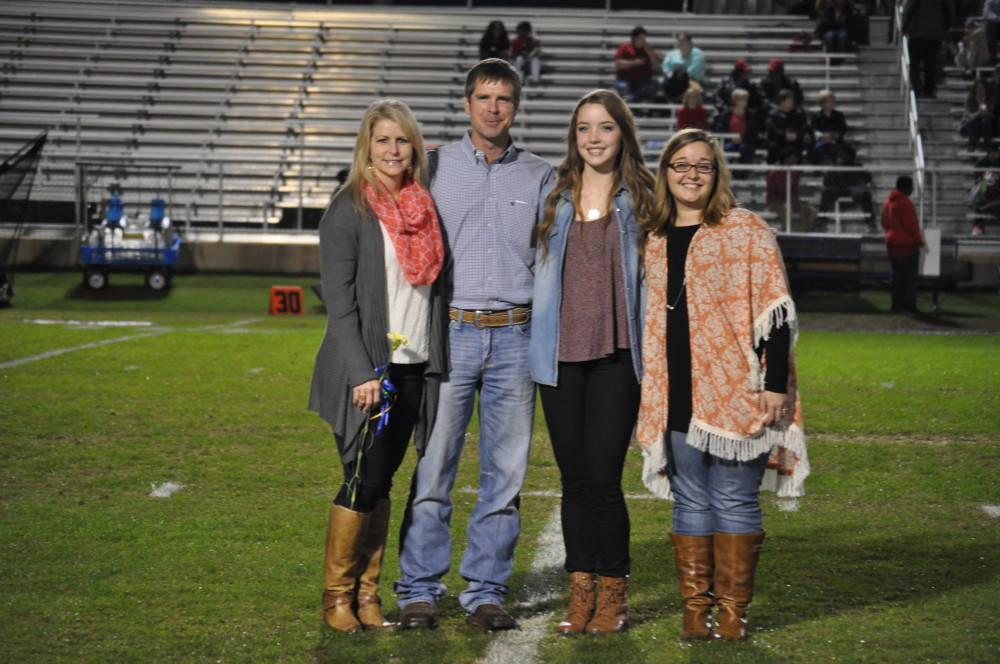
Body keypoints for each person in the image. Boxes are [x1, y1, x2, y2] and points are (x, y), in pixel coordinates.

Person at [395, 58, 555, 632]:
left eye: (504, 99)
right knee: (433, 466)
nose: (493, 108)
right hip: (451, 335)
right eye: (483, 98)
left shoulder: (539, 175)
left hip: (515, 336)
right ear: (467, 104)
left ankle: (486, 590)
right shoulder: (432, 167)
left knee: (504, 476)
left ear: (516, 107)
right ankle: (418, 588)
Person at [636, 128, 808, 642]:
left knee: (734, 499)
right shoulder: (654, 236)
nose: (691, 174)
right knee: (689, 501)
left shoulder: (746, 229)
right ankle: (696, 612)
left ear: (717, 173)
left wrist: (775, 383)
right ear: (665, 172)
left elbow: (774, 309)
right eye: (680, 164)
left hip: (739, 390)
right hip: (676, 392)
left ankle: (732, 615)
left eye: (703, 165)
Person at [309, 100, 447, 633]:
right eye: (383, 140)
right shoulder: (349, 208)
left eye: (402, 140)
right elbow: (339, 304)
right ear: (366, 146)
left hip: (415, 362)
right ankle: (336, 598)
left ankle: (368, 597)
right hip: (373, 369)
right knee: (363, 479)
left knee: (383, 481)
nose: (393, 150)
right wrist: (363, 372)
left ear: (415, 148)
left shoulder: (424, 206)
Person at [529, 89, 655, 635]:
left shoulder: (644, 199)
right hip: (559, 357)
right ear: (573, 137)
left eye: (605, 127)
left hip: (617, 358)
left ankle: (612, 596)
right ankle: (579, 595)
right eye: (584, 128)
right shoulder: (554, 196)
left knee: (603, 479)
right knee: (573, 479)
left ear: (622, 134)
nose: (594, 138)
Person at [881, 175, 925, 313]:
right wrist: (919, 240)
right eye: (911, 186)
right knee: (909, 278)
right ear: (906, 186)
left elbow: (883, 222)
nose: (912, 189)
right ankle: (909, 306)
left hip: (892, 244)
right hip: (907, 245)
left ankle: (896, 305)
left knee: (896, 276)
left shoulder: (887, 202)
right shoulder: (905, 202)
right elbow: (911, 225)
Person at [901, 0, 955, 99]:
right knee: (931, 64)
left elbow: (909, 7)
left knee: (914, 63)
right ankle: (928, 90)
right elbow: (950, 9)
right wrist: (946, 26)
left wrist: (905, 26)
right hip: (936, 33)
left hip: (917, 32)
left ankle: (915, 89)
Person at [818, 144, 875, 230]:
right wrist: (836, 168)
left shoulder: (857, 166)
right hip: (837, 189)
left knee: (865, 194)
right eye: (841, 154)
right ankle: (820, 221)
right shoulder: (835, 166)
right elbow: (826, 182)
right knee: (826, 192)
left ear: (851, 156)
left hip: (852, 188)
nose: (842, 156)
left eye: (845, 154)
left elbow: (868, 178)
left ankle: (870, 223)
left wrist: (865, 182)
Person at [766, 148, 818, 231]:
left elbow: (794, 190)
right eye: (792, 157)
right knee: (786, 209)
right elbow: (773, 191)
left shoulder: (794, 172)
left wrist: (794, 201)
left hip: (791, 201)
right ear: (786, 159)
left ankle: (801, 232)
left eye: (795, 157)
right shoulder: (774, 173)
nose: (795, 160)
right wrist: (787, 201)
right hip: (775, 202)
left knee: (812, 211)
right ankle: (785, 232)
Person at [714, 87, 760, 171]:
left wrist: (743, 139)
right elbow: (720, 128)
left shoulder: (750, 115)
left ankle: (743, 174)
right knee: (726, 150)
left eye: (746, 99)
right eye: (742, 99)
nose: (745, 102)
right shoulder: (726, 114)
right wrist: (731, 138)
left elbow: (753, 131)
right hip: (728, 142)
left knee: (746, 150)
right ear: (736, 101)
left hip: (745, 142)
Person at [614, 26, 661, 105]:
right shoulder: (625, 48)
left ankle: (636, 102)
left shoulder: (648, 49)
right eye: (641, 38)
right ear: (634, 38)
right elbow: (618, 63)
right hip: (625, 81)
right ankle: (632, 103)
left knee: (651, 87)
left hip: (643, 82)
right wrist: (635, 63)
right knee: (623, 87)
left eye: (644, 38)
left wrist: (650, 53)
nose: (643, 40)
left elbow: (657, 65)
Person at [765, 89, 808, 163]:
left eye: (792, 99)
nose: (791, 102)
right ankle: (771, 171)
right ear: (782, 102)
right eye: (789, 100)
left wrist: (796, 135)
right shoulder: (773, 115)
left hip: (794, 141)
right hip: (779, 142)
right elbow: (772, 129)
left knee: (799, 145)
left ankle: (796, 172)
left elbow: (803, 128)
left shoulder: (798, 114)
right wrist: (784, 135)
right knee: (773, 146)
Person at [661, 33, 707, 101]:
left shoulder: (697, 54)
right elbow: (666, 66)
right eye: (679, 40)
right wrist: (672, 75)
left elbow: (694, 69)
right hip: (674, 80)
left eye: (684, 40)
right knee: (664, 82)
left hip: (692, 80)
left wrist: (680, 75)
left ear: (690, 42)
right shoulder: (672, 54)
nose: (681, 42)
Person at [809, 89, 848, 164]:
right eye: (828, 101)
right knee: (818, 148)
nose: (831, 103)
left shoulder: (839, 115)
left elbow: (842, 129)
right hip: (820, 141)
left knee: (836, 149)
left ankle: (836, 169)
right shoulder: (816, 116)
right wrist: (822, 136)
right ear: (822, 103)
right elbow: (813, 129)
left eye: (832, 101)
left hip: (835, 141)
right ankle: (817, 168)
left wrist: (831, 135)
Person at [960, 77, 996, 151]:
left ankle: (987, 145)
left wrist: (982, 103)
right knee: (973, 120)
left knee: (985, 121)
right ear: (975, 89)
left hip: (985, 125)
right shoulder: (970, 99)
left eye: (982, 88)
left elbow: (988, 113)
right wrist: (978, 113)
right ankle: (972, 144)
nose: (980, 91)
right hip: (970, 125)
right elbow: (969, 114)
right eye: (978, 88)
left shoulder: (990, 99)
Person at [511, 20, 542, 86]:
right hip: (520, 63)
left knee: (535, 60)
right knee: (519, 59)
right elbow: (515, 54)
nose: (522, 33)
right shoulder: (515, 41)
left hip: (529, 61)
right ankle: (519, 79)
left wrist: (528, 58)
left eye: (524, 31)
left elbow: (536, 52)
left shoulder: (533, 40)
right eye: (521, 31)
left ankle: (535, 79)